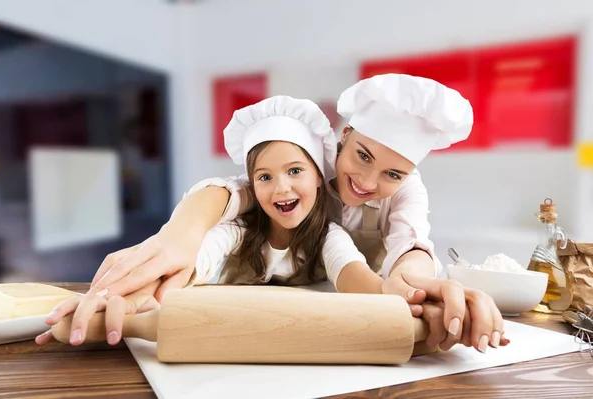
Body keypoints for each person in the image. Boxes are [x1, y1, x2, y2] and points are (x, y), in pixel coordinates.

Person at [84, 74, 506, 353]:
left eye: (392, 173)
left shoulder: (401, 197)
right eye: (361, 155)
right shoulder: (309, 170)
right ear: (343, 138)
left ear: (409, 173)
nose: (366, 180)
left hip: (348, 312)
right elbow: (234, 192)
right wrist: (181, 235)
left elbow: (410, 246)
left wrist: (414, 291)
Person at [36, 96, 382, 346]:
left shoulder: (329, 236)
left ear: (320, 177)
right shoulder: (238, 231)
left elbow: (356, 277)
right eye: (264, 177)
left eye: (295, 171)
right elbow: (190, 263)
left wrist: (405, 296)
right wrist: (129, 296)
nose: (281, 188)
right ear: (251, 184)